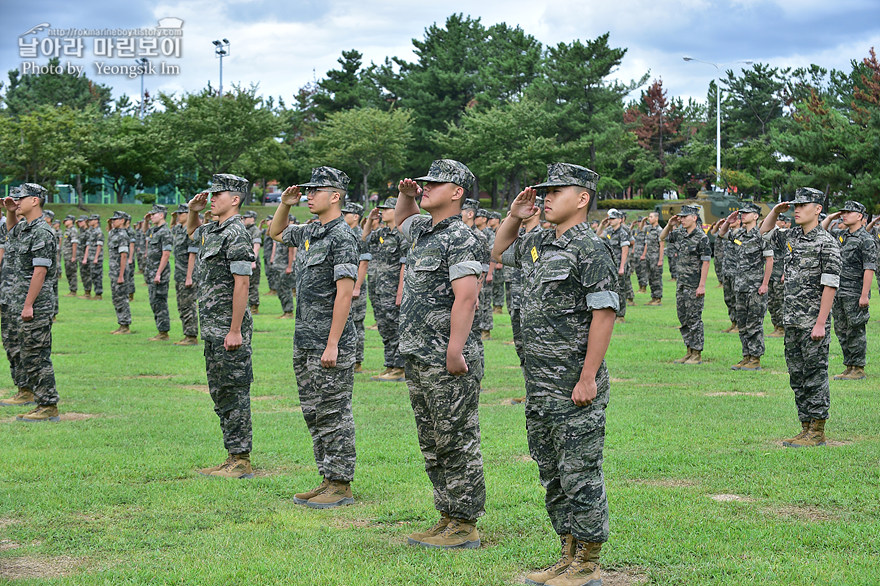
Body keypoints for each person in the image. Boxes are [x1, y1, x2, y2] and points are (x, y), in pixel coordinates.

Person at [493, 163, 617, 586]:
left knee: (580, 471)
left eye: (556, 191)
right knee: (552, 471)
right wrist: (514, 215)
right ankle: (566, 554)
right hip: (540, 384)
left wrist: (588, 377)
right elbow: (497, 252)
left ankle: (588, 562)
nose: (546, 198)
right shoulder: (540, 242)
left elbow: (603, 315)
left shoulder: (591, 249)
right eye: (544, 192)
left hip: (574, 384)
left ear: (582, 198)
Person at [395, 159, 485, 549]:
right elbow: (402, 219)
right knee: (432, 440)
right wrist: (406, 195)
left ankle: (465, 523)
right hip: (418, 354)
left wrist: (455, 349)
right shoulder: (422, 229)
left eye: (436, 183)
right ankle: (447, 515)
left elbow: (466, 298)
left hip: (447, 356)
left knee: (456, 438)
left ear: (457, 192)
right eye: (424, 182)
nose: (426, 187)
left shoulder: (461, 236)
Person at [269, 166, 359, 509]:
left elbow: (345, 294)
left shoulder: (342, 236)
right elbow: (277, 232)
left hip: (329, 341)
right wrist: (285, 204)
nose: (309, 195)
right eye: (307, 190)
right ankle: (327, 478)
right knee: (314, 412)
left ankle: (341, 483)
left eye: (315, 190)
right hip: (305, 339)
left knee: (334, 411)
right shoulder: (310, 231)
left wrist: (333, 342)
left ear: (335, 196)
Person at [760, 188, 841, 448]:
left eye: (803, 205)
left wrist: (820, 323)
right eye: (795, 205)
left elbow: (830, 285)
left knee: (815, 375)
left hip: (812, 323)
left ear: (818, 209)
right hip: (792, 321)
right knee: (797, 376)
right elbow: (762, 234)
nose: (796, 210)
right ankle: (805, 428)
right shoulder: (792, 235)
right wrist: (774, 212)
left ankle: (818, 431)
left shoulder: (826, 242)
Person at [188, 174, 256, 479]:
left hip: (229, 327)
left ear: (236, 199)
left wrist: (235, 329)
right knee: (220, 391)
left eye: (219, 194)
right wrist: (192, 210)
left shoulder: (237, 233)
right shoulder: (212, 230)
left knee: (235, 391)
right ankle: (231, 455)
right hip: (213, 326)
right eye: (211, 194)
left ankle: (241, 459)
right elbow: (192, 233)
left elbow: (242, 283)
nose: (212, 198)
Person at [0, 184, 60, 422]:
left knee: (37, 355)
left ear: (35, 200)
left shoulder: (42, 232)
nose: (17, 201)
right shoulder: (25, 228)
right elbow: (10, 231)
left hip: (35, 305)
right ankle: (34, 397)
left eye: (21, 198)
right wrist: (10, 210)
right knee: (24, 354)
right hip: (18, 302)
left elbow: (40, 272)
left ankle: (48, 406)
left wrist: (28, 305)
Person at [822, 201, 875, 380]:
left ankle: (858, 368)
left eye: (848, 212)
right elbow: (820, 232)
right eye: (843, 212)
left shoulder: (866, 239)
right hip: (839, 291)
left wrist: (864, 294)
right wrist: (830, 218)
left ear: (859, 216)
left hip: (855, 293)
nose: (844, 215)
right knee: (842, 330)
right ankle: (849, 366)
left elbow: (869, 268)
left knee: (856, 330)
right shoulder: (841, 235)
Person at [717, 203, 773, 371]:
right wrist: (728, 221)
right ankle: (746, 356)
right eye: (741, 213)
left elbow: (769, 260)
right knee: (742, 323)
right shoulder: (740, 234)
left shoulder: (761, 235)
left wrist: (764, 284)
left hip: (755, 287)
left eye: (746, 213)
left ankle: (755, 358)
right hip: (740, 285)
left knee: (754, 323)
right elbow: (721, 234)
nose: (742, 215)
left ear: (755, 216)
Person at [362, 198, 407, 381]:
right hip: (378, 288)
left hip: (393, 288)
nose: (382, 212)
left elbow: (405, 264)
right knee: (384, 326)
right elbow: (364, 239)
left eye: (386, 209)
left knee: (396, 326)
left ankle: (400, 367)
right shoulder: (381, 232)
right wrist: (369, 221)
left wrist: (400, 291)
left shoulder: (401, 234)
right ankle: (390, 365)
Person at [661, 205, 711, 365]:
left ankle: (697, 353)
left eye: (684, 217)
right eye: (680, 217)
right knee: (683, 317)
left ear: (694, 218)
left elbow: (706, 262)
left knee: (694, 318)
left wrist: (702, 285)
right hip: (681, 284)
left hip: (694, 285)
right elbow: (662, 237)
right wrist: (669, 225)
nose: (681, 219)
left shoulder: (701, 237)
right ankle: (688, 350)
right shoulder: (680, 234)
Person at [342, 202, 368, 371]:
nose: (343, 216)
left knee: (356, 323)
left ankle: (357, 360)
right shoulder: (346, 234)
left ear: (356, 216)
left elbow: (363, 262)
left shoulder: (360, 236)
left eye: (347, 213)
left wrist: (357, 286)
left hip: (356, 286)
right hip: (345, 285)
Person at [143, 205, 173, 341]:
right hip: (151, 271)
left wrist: (158, 273)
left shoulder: (165, 232)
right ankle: (160, 330)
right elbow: (144, 233)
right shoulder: (154, 230)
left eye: (154, 214)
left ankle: (163, 332)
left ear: (161, 215)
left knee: (160, 302)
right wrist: (145, 221)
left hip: (159, 273)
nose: (151, 217)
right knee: (154, 301)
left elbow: (166, 254)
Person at [172, 204, 199, 345]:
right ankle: (187, 334)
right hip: (179, 273)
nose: (178, 215)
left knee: (188, 305)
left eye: (181, 213)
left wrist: (189, 276)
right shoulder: (179, 229)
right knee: (182, 305)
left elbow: (192, 255)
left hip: (188, 274)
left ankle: (191, 335)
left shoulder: (191, 231)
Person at [597, 210, 631, 323]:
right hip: (609, 265)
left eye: (613, 219)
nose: (610, 221)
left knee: (620, 290)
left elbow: (625, 250)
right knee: (610, 290)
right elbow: (597, 235)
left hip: (619, 265)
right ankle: (613, 314)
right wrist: (602, 225)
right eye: (610, 219)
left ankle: (621, 315)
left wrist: (622, 267)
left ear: (620, 220)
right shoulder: (609, 231)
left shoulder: (623, 233)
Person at [764, 214, 791, 337]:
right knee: (771, 302)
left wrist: (785, 273)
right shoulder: (771, 235)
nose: (778, 221)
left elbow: (789, 254)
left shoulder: (784, 236)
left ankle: (782, 328)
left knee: (780, 302)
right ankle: (776, 326)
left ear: (784, 222)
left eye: (780, 220)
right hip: (771, 275)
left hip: (780, 274)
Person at [107, 211, 133, 335]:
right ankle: (120, 323)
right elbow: (109, 228)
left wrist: (121, 275)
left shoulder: (123, 235)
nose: (113, 221)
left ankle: (125, 325)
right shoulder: (113, 233)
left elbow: (123, 256)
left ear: (122, 220)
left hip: (119, 271)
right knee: (116, 298)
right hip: (114, 271)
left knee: (122, 298)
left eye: (116, 219)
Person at [474, 208, 495, 339]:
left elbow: (492, 255)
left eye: (478, 217)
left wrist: (490, 273)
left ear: (484, 219)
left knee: (485, 301)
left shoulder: (488, 234)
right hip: (475, 273)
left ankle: (486, 329)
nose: (476, 219)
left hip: (485, 272)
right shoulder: (472, 232)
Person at [241, 210, 262, 315]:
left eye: (247, 217)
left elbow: (257, 246)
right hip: (243, 261)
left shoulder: (255, 230)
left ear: (252, 218)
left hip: (251, 262)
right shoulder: (243, 229)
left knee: (252, 285)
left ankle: (254, 307)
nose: (244, 219)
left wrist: (252, 261)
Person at [641, 211, 664, 305]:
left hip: (656, 257)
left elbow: (662, 246)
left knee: (656, 278)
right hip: (649, 257)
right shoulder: (649, 229)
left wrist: (660, 260)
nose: (649, 218)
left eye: (651, 217)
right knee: (650, 277)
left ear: (656, 218)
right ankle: (653, 297)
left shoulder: (660, 230)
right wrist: (644, 254)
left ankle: (658, 298)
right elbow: (647, 242)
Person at [86, 214, 104, 300]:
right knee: (93, 275)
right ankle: (96, 293)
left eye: (92, 220)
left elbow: (99, 245)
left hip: (97, 257)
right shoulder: (92, 231)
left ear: (96, 220)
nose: (90, 221)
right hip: (91, 256)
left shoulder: (98, 232)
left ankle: (98, 294)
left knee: (97, 275)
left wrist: (96, 257)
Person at [61, 214, 79, 297]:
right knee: (68, 273)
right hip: (67, 256)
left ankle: (73, 290)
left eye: (67, 220)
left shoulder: (73, 230)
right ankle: (71, 290)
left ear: (71, 221)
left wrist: (74, 256)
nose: (65, 222)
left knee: (72, 273)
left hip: (71, 256)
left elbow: (74, 243)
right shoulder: (67, 230)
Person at [76, 215, 93, 297]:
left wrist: (85, 258)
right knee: (83, 274)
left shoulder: (88, 232)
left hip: (86, 256)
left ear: (86, 221)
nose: (79, 223)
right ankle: (86, 291)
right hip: (81, 256)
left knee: (86, 275)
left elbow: (88, 246)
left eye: (81, 221)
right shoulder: (81, 231)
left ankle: (88, 293)